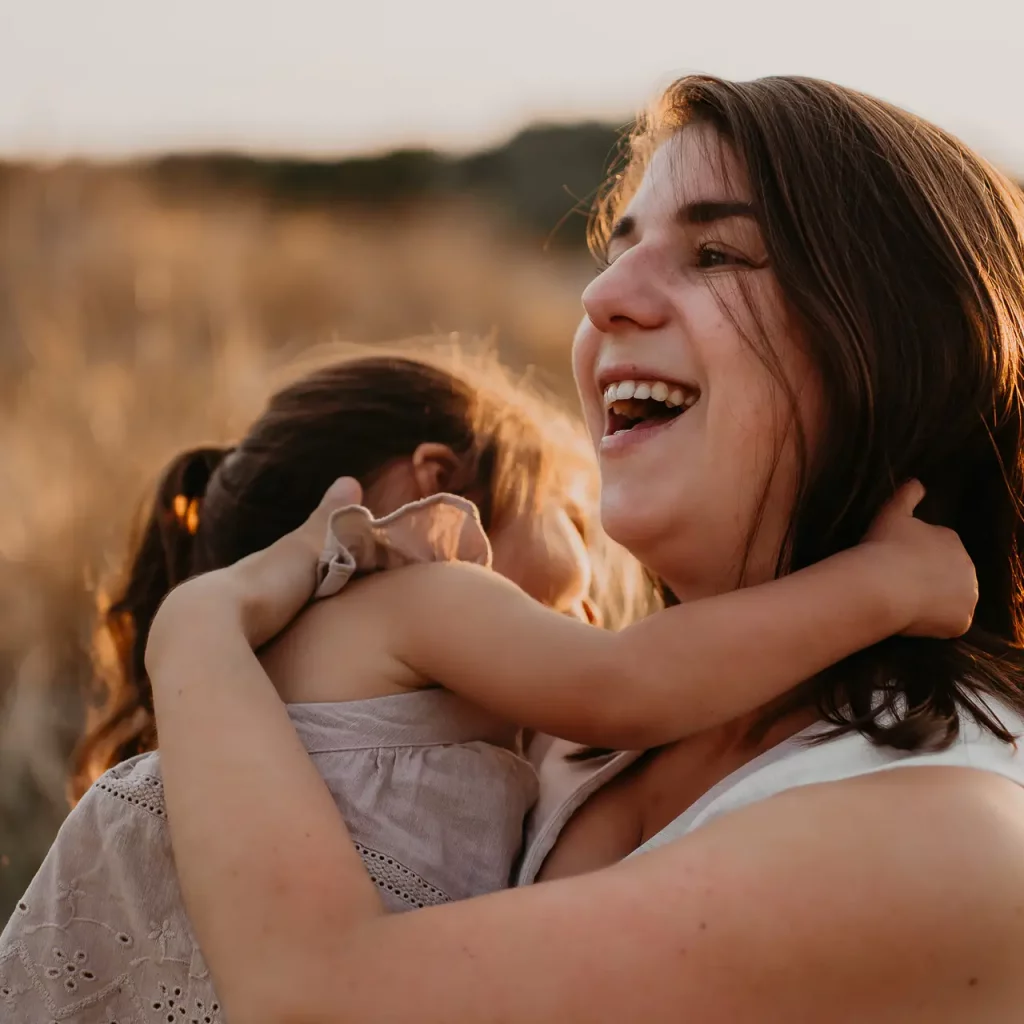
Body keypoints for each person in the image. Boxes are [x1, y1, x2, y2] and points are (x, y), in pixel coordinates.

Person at [139, 74, 1024, 1021]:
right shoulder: (550, 727)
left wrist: (193, 629)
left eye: (717, 254)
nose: (601, 296)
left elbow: (317, 999)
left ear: (905, 343)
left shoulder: (948, 838)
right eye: (619, 252)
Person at [0, 340, 970, 1024]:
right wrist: (883, 586)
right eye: (571, 521)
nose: (591, 597)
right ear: (436, 481)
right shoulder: (420, 598)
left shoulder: (299, 670)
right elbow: (627, 684)